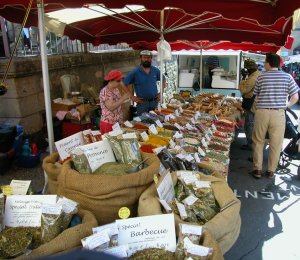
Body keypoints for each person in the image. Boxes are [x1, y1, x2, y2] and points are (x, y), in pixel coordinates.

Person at [251, 53, 299, 179]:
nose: (264, 64)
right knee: (276, 143)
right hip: (278, 113)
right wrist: (286, 105)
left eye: (265, 62)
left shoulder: (261, 77)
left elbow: (255, 95)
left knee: (258, 141)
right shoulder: (287, 77)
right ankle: (271, 170)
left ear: (269, 63)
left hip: (262, 112)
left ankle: (257, 170)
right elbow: (295, 97)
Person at [121, 50, 165, 116]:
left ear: (151, 58)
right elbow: (123, 83)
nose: (146, 59)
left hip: (154, 102)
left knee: (156, 122)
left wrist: (161, 93)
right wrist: (132, 97)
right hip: (142, 104)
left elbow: (163, 79)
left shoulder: (155, 70)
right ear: (141, 58)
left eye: (148, 57)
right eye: (144, 57)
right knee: (143, 123)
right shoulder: (135, 72)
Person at [99, 70, 130, 134]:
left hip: (116, 123)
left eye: (120, 80)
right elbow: (111, 107)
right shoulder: (105, 91)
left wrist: (122, 120)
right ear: (111, 80)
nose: (119, 82)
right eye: (118, 81)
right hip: (108, 123)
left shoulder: (115, 89)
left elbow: (118, 103)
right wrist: (123, 98)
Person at [239, 59, 261, 151]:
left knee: (249, 124)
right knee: (250, 124)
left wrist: (243, 78)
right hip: (254, 103)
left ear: (249, 69)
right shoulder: (257, 74)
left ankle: (250, 145)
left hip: (251, 104)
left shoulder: (253, 78)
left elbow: (243, 90)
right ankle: (251, 143)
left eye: (247, 69)